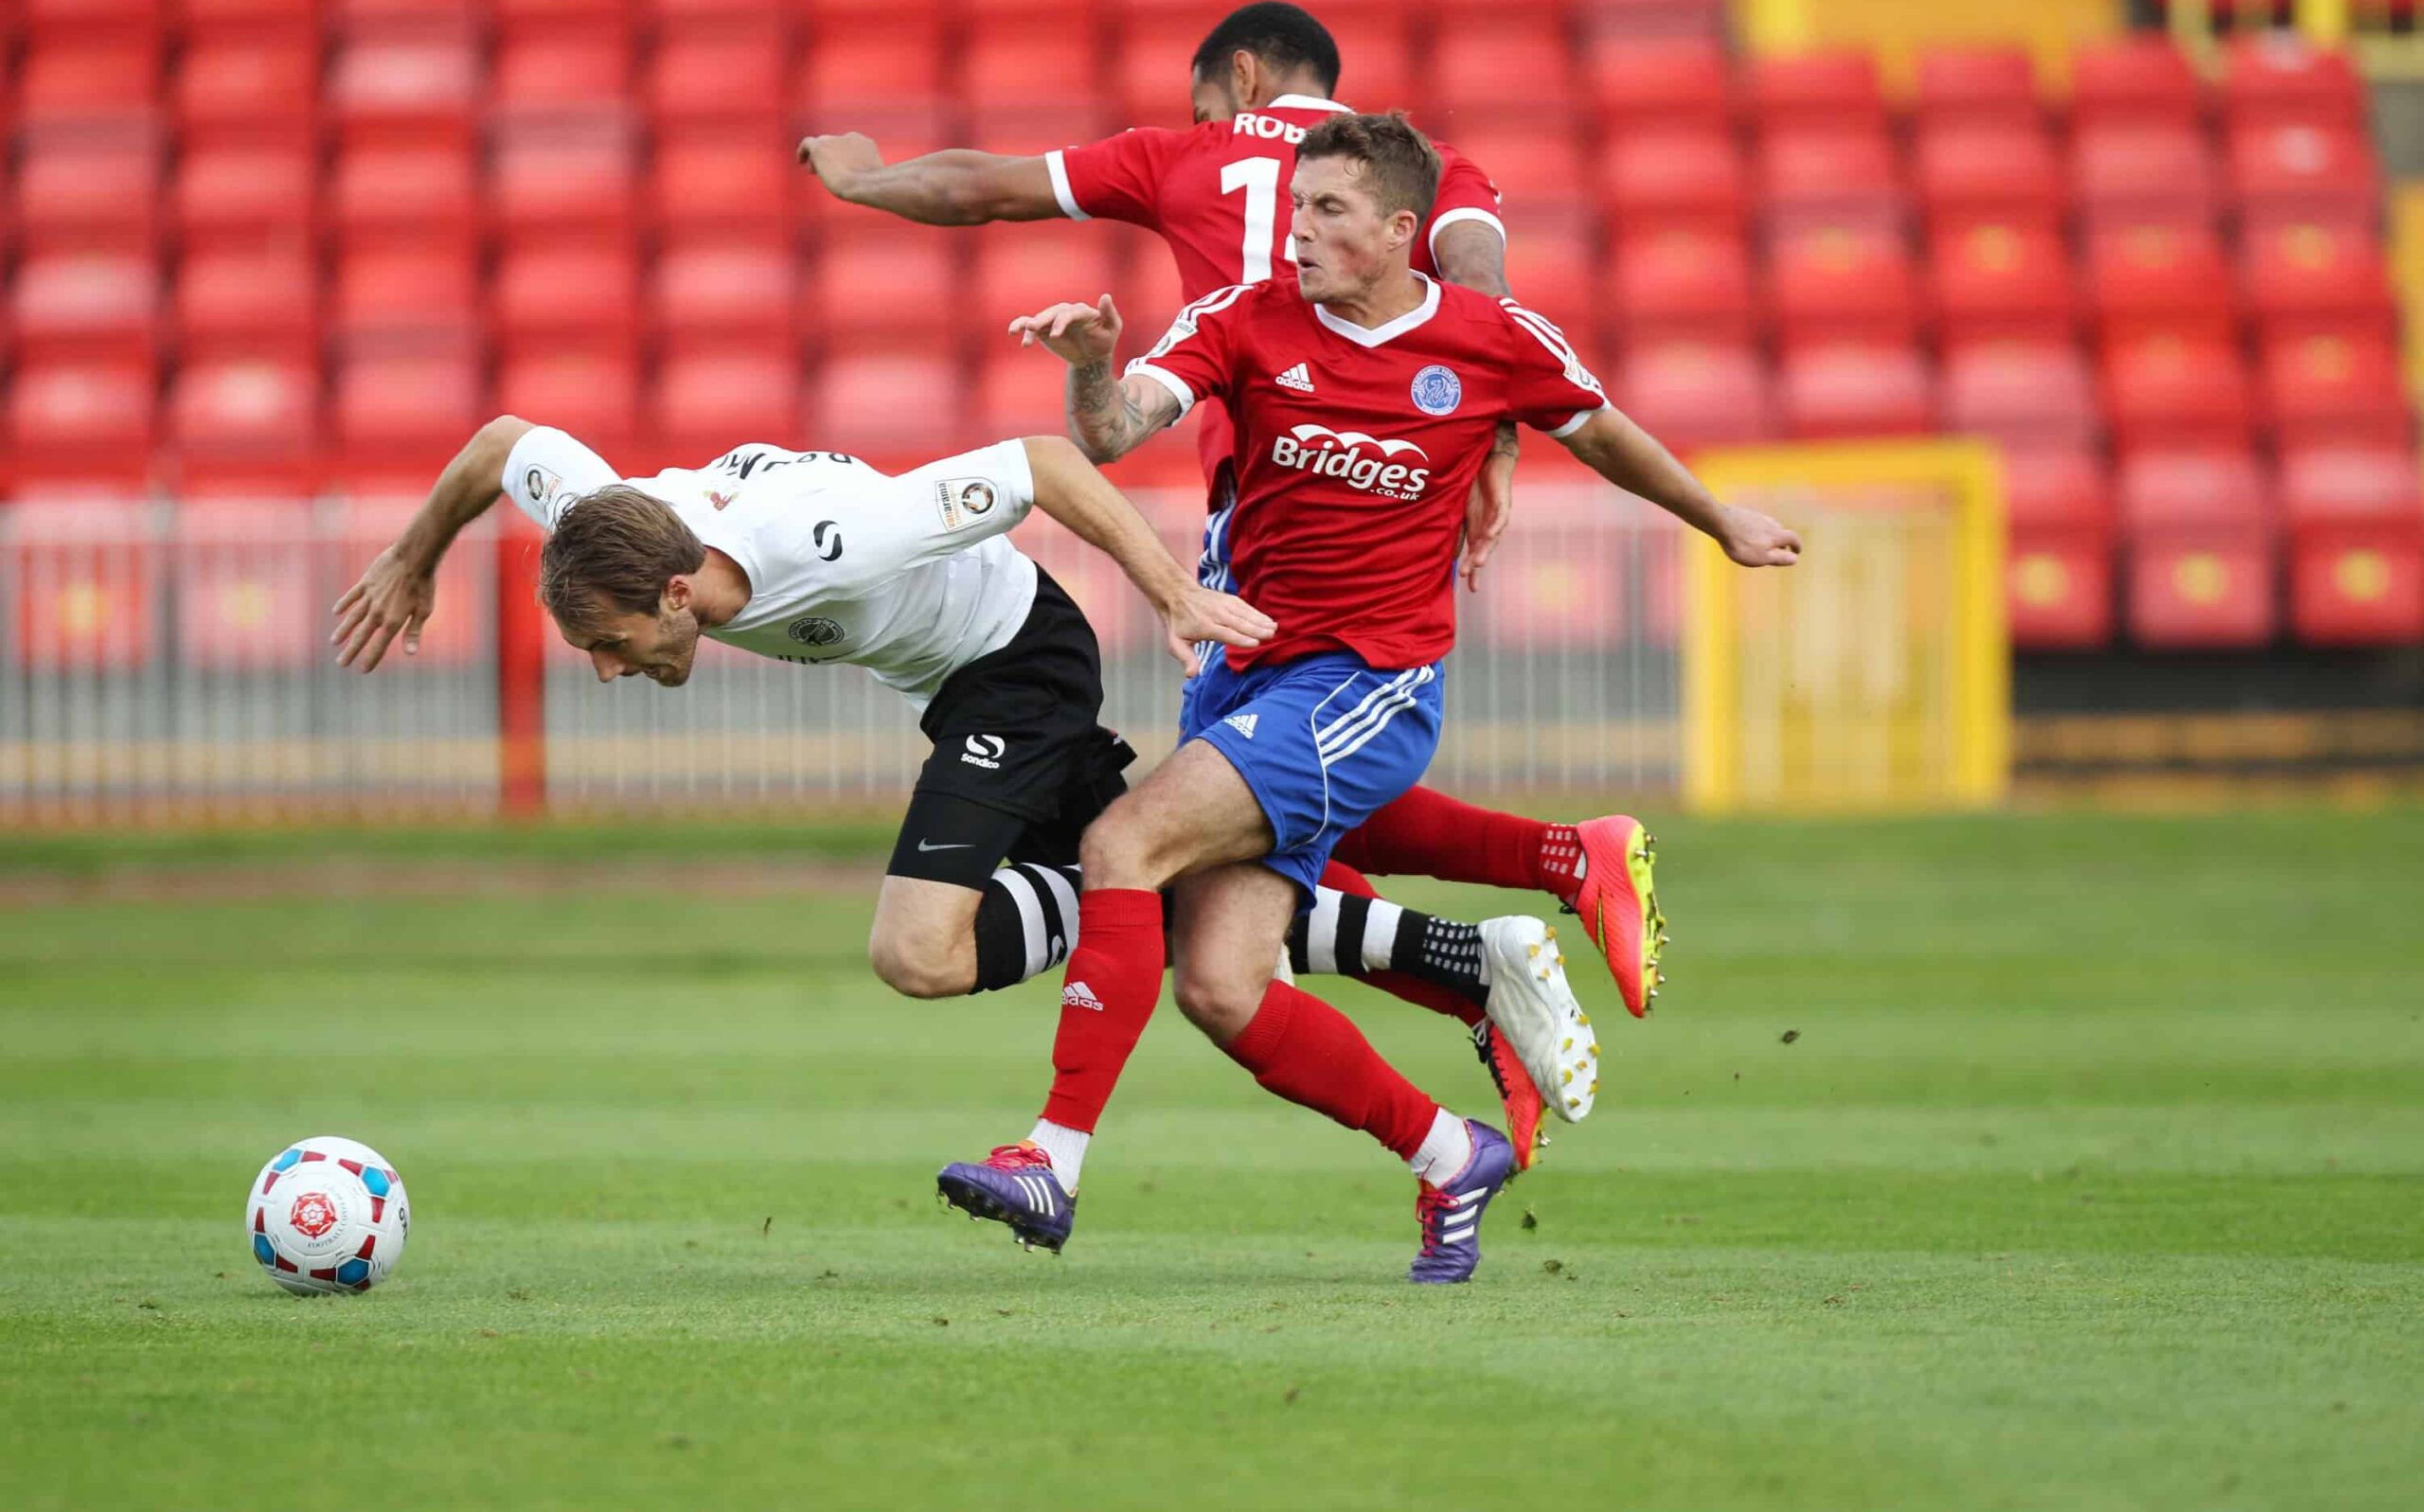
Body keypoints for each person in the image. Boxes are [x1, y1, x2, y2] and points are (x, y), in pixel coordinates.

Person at [938, 113, 1801, 1283]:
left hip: (1370, 684)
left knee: (1123, 840)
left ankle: (1052, 1155)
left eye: (1327, 213)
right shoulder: (1244, 321)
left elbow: (1602, 434)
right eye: (1295, 211)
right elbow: (1112, 427)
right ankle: (1453, 1153)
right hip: (1246, 678)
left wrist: (1721, 522)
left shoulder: (1493, 340)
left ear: (1401, 231)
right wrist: (1092, 358)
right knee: (1222, 986)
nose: (1296, 235)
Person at [328, 418, 1592, 1156]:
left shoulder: (831, 537)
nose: (603, 674)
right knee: (1174, 886)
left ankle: (1478, 933)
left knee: (930, 944)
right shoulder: (603, 517)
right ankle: (1470, 957)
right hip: (952, 685)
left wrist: (1169, 592)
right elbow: (504, 445)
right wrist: (410, 554)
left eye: (606, 645)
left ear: (674, 596)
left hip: (1013, 656)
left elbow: (1041, 459)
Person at [799, 1, 1671, 1023]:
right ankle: (1541, 889)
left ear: (1243, 78)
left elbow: (980, 187)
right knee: (1277, 788)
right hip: (1382, 489)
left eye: (1204, 94)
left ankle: (1479, 971)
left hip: (1271, 504)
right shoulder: (1432, 167)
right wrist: (1501, 438)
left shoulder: (1183, 151)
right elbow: (1486, 302)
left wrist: (862, 179)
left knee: (1211, 820)